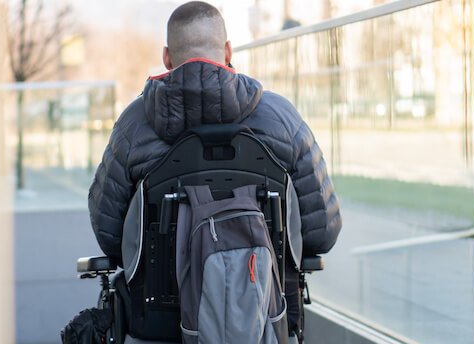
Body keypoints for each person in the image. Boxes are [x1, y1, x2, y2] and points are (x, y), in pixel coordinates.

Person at [88, 1, 341, 266]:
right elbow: (322, 233)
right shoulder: (283, 118)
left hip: (159, 290)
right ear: (228, 51)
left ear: (167, 57)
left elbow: (109, 235)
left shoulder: (132, 125)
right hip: (266, 289)